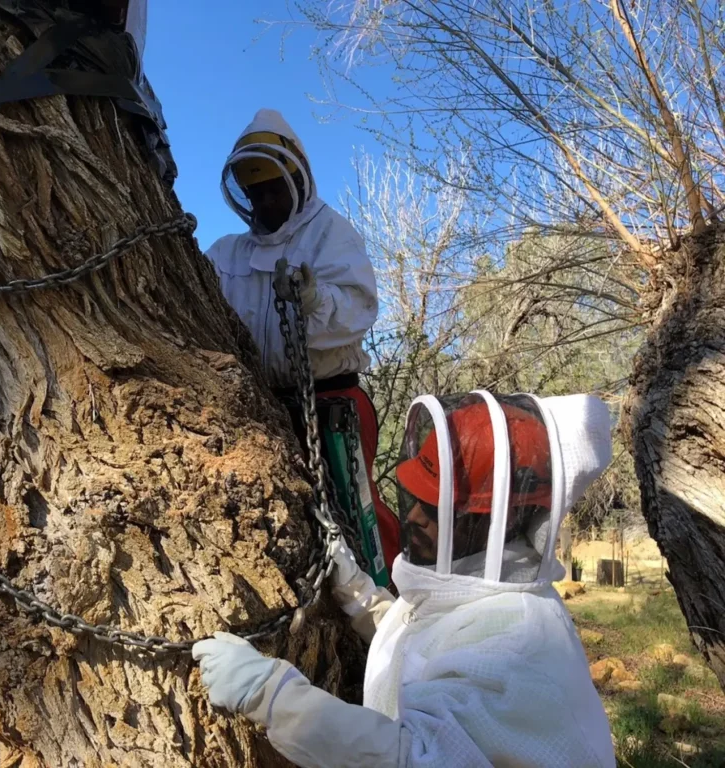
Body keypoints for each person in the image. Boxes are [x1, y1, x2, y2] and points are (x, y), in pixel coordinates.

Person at [193, 390, 617, 768]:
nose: (411, 516)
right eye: (415, 498)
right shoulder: (483, 597)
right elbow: (428, 646)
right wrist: (360, 594)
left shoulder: (517, 641)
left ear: (496, 522)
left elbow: (414, 756)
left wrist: (272, 697)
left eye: (432, 508)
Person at [207, 108, 400, 573]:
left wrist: (313, 300)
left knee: (355, 511)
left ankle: (392, 592)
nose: (265, 202)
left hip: (332, 403)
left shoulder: (331, 235)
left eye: (273, 190)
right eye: (256, 193)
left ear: (296, 180)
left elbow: (360, 308)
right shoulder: (227, 252)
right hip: (262, 409)